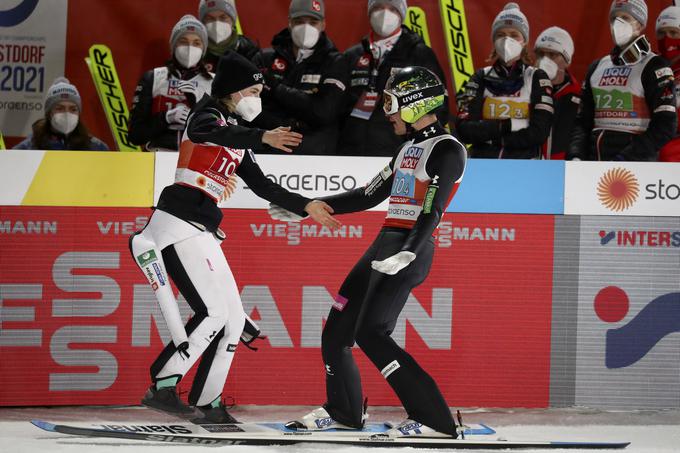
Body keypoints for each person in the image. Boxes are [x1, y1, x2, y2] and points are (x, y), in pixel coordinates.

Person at [129, 51, 340, 423]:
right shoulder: (208, 115)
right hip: (178, 220)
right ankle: (163, 384)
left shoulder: (237, 136)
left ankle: (209, 403)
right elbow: (205, 132)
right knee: (211, 313)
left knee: (232, 320)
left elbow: (263, 186)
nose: (257, 97)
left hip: (204, 225)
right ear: (232, 90)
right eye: (253, 90)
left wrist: (307, 205)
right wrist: (262, 135)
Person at [270, 67, 466, 438]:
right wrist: (308, 206)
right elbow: (367, 194)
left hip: (410, 247)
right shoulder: (409, 148)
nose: (387, 112)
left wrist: (409, 250)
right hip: (386, 243)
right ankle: (344, 411)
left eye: (391, 103)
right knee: (337, 331)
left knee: (372, 333)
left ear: (415, 103)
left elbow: (433, 209)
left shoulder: (447, 148)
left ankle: (434, 420)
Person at [337, 0, 449, 157]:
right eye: (378, 7)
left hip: (399, 153)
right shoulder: (352, 55)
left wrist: (411, 139)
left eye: (392, 9)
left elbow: (439, 107)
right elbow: (335, 108)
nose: (384, 14)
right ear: (369, 13)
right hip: (350, 154)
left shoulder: (419, 53)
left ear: (401, 15)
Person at [569, 0, 677, 161]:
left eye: (625, 18)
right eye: (614, 18)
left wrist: (626, 159)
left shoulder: (654, 66)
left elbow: (665, 126)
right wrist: (575, 155)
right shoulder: (597, 66)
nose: (617, 24)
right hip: (593, 166)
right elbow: (582, 122)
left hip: (635, 169)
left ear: (640, 25)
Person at [455, 2, 553, 159]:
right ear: (494, 40)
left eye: (514, 35)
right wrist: (509, 125)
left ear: (524, 40)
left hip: (523, 166)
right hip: (484, 166)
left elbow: (539, 132)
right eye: (501, 35)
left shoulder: (536, 77)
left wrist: (492, 137)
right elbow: (464, 129)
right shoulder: (480, 77)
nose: (507, 40)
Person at [251, 0, 349, 155]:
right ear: (289, 23)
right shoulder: (264, 59)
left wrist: (275, 89)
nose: (306, 28)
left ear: (323, 24)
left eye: (313, 22)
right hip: (267, 153)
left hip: (314, 158)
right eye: (299, 22)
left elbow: (324, 112)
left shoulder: (335, 62)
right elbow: (250, 108)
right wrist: (290, 124)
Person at [128, 15, 213, 152]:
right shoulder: (153, 77)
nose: (190, 48)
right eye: (183, 41)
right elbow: (135, 135)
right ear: (174, 46)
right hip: (158, 157)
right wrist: (166, 118)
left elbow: (224, 133)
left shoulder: (214, 82)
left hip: (198, 162)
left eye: (197, 43)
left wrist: (198, 114)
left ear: (204, 48)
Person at [14, 78, 109, 151]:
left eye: (73, 109)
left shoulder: (97, 148)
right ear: (49, 113)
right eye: (60, 108)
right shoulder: (28, 148)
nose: (67, 114)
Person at [534, 27, 580, 160]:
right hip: (528, 167)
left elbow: (580, 136)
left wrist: (575, 159)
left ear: (566, 60)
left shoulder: (578, 96)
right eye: (541, 54)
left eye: (552, 55)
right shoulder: (525, 89)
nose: (545, 60)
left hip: (563, 171)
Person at [198, 0, 259, 72]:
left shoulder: (249, 50)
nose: (217, 24)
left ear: (232, 20)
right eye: (210, 18)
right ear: (202, 23)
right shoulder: (196, 53)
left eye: (223, 17)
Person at [655, 5, 680, 162]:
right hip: (649, 153)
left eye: (673, 33)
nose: (666, 38)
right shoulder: (648, 68)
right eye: (661, 33)